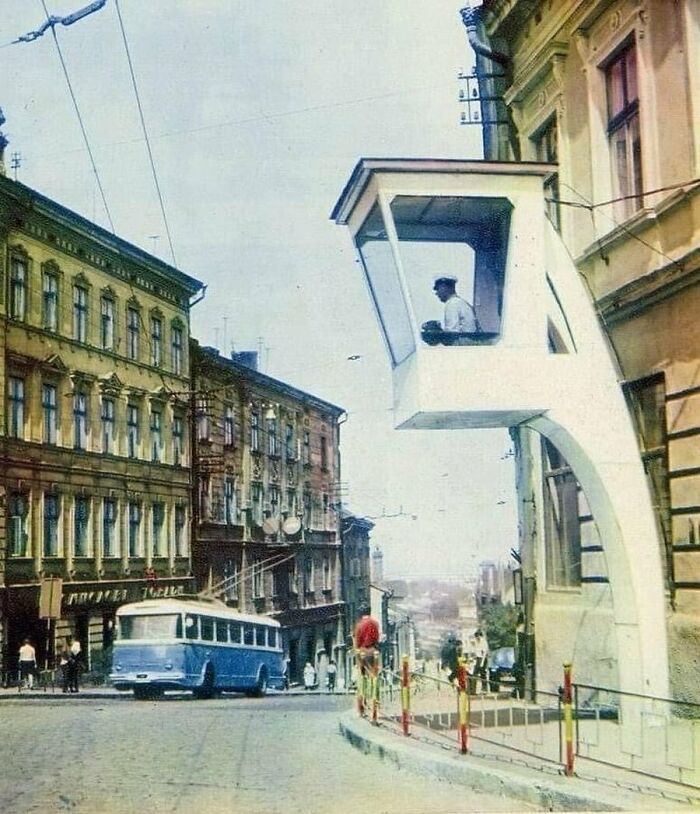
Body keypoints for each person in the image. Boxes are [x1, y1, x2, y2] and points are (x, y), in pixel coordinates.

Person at [432, 275, 480, 342]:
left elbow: (452, 334)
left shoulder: (452, 304)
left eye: (438, 289)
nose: (437, 293)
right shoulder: (461, 302)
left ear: (445, 287)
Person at [353, 606, 381, 678]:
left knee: (364, 671)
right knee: (375, 671)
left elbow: (358, 641)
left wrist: (357, 648)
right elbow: (377, 636)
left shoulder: (359, 625)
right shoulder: (375, 623)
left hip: (363, 650)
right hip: (374, 649)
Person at [473, 629, 489, 694]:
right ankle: (473, 689)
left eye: (478, 636)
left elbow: (484, 653)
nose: (477, 638)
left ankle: (484, 688)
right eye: (476, 637)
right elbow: (476, 651)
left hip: (483, 659)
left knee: (483, 673)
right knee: (475, 673)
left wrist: (482, 662)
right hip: (478, 658)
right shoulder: (476, 641)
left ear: (480, 636)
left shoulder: (484, 642)